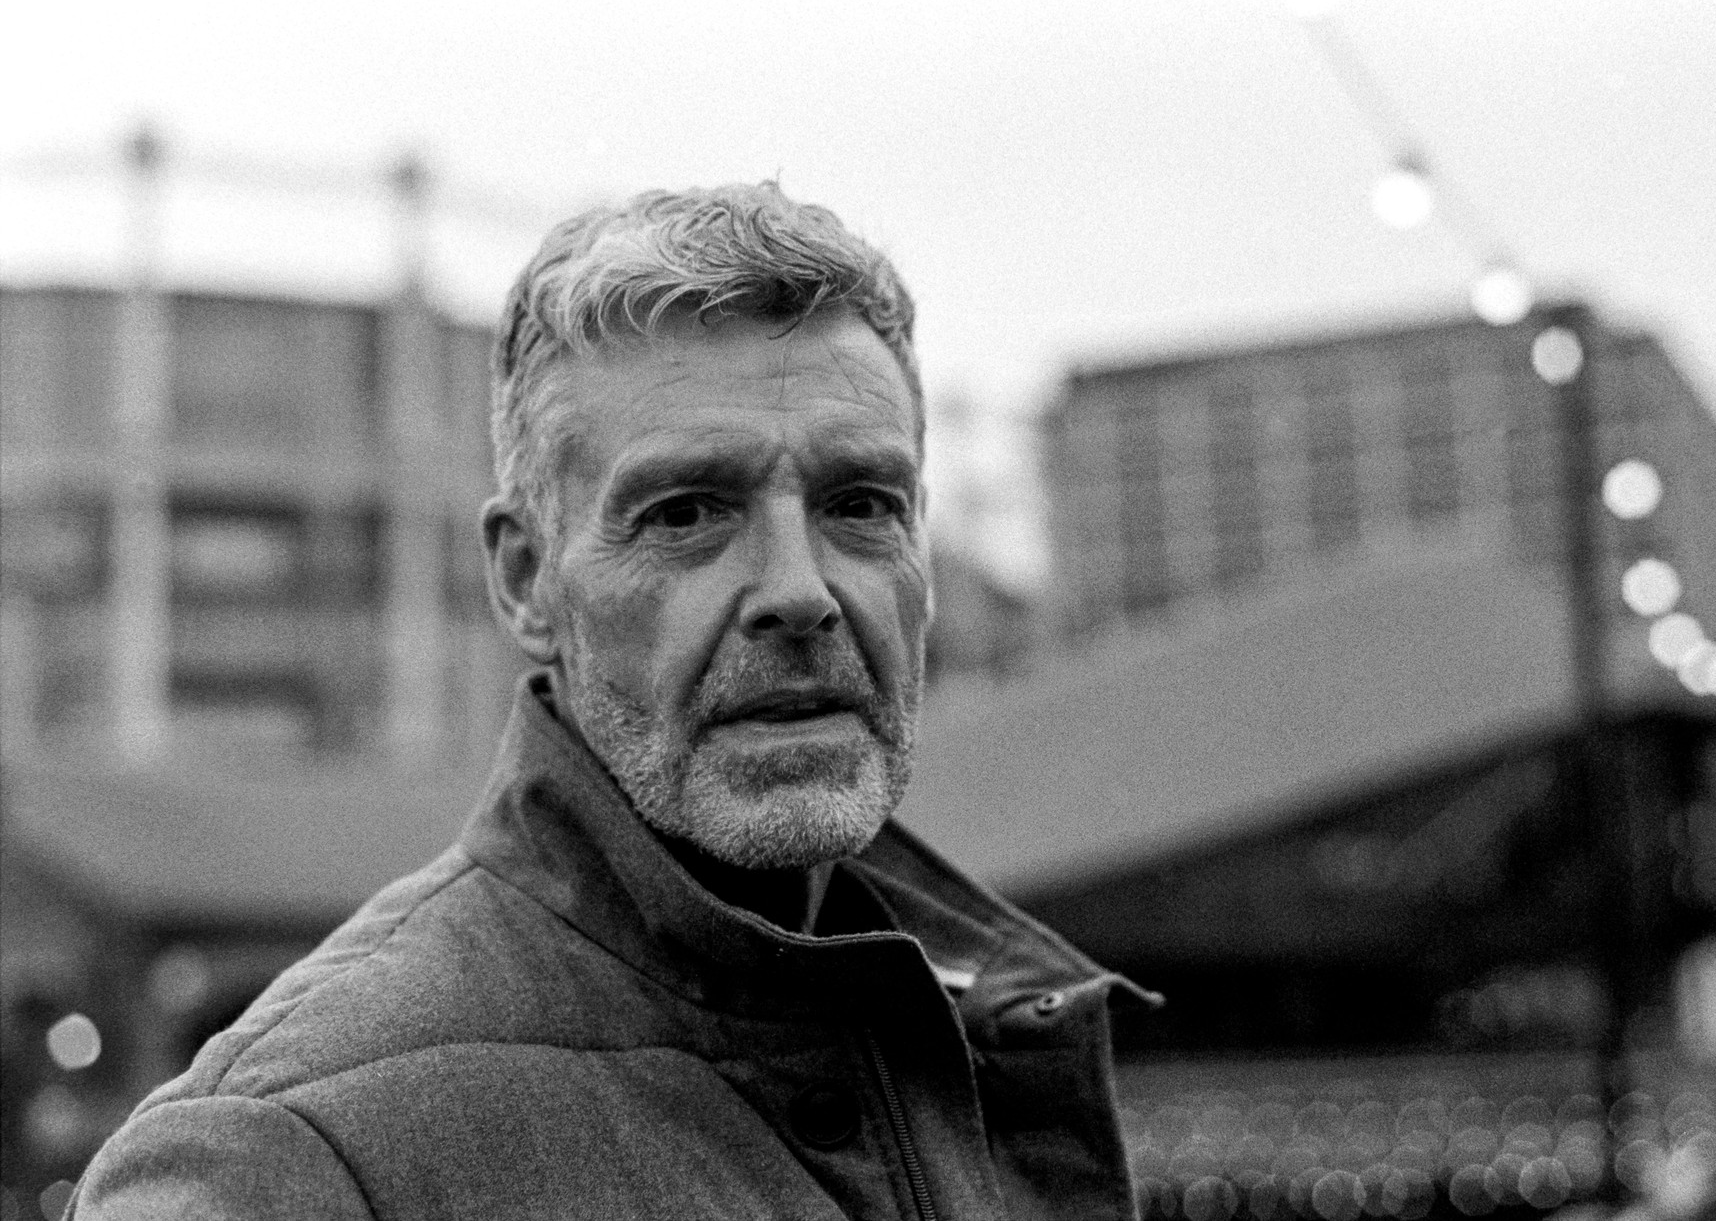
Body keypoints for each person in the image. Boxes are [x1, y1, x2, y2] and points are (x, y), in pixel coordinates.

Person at [68, 183, 1154, 1220]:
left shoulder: (988, 1035)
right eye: (687, 513)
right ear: (526, 580)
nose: (799, 592)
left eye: (861, 504)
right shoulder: (282, 1156)